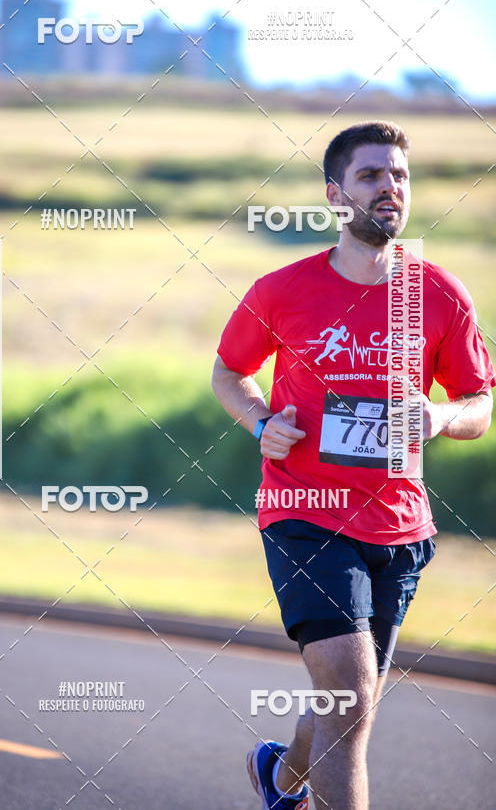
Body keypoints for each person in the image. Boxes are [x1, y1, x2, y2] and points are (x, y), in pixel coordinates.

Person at [211, 121, 495, 810]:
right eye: (372, 176)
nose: (390, 188)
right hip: (304, 514)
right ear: (336, 195)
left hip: (399, 526)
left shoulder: (440, 294)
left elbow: (479, 402)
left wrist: (439, 417)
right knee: (352, 693)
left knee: (350, 704)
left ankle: (281, 776)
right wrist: (261, 422)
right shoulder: (282, 290)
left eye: (399, 175)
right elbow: (229, 371)